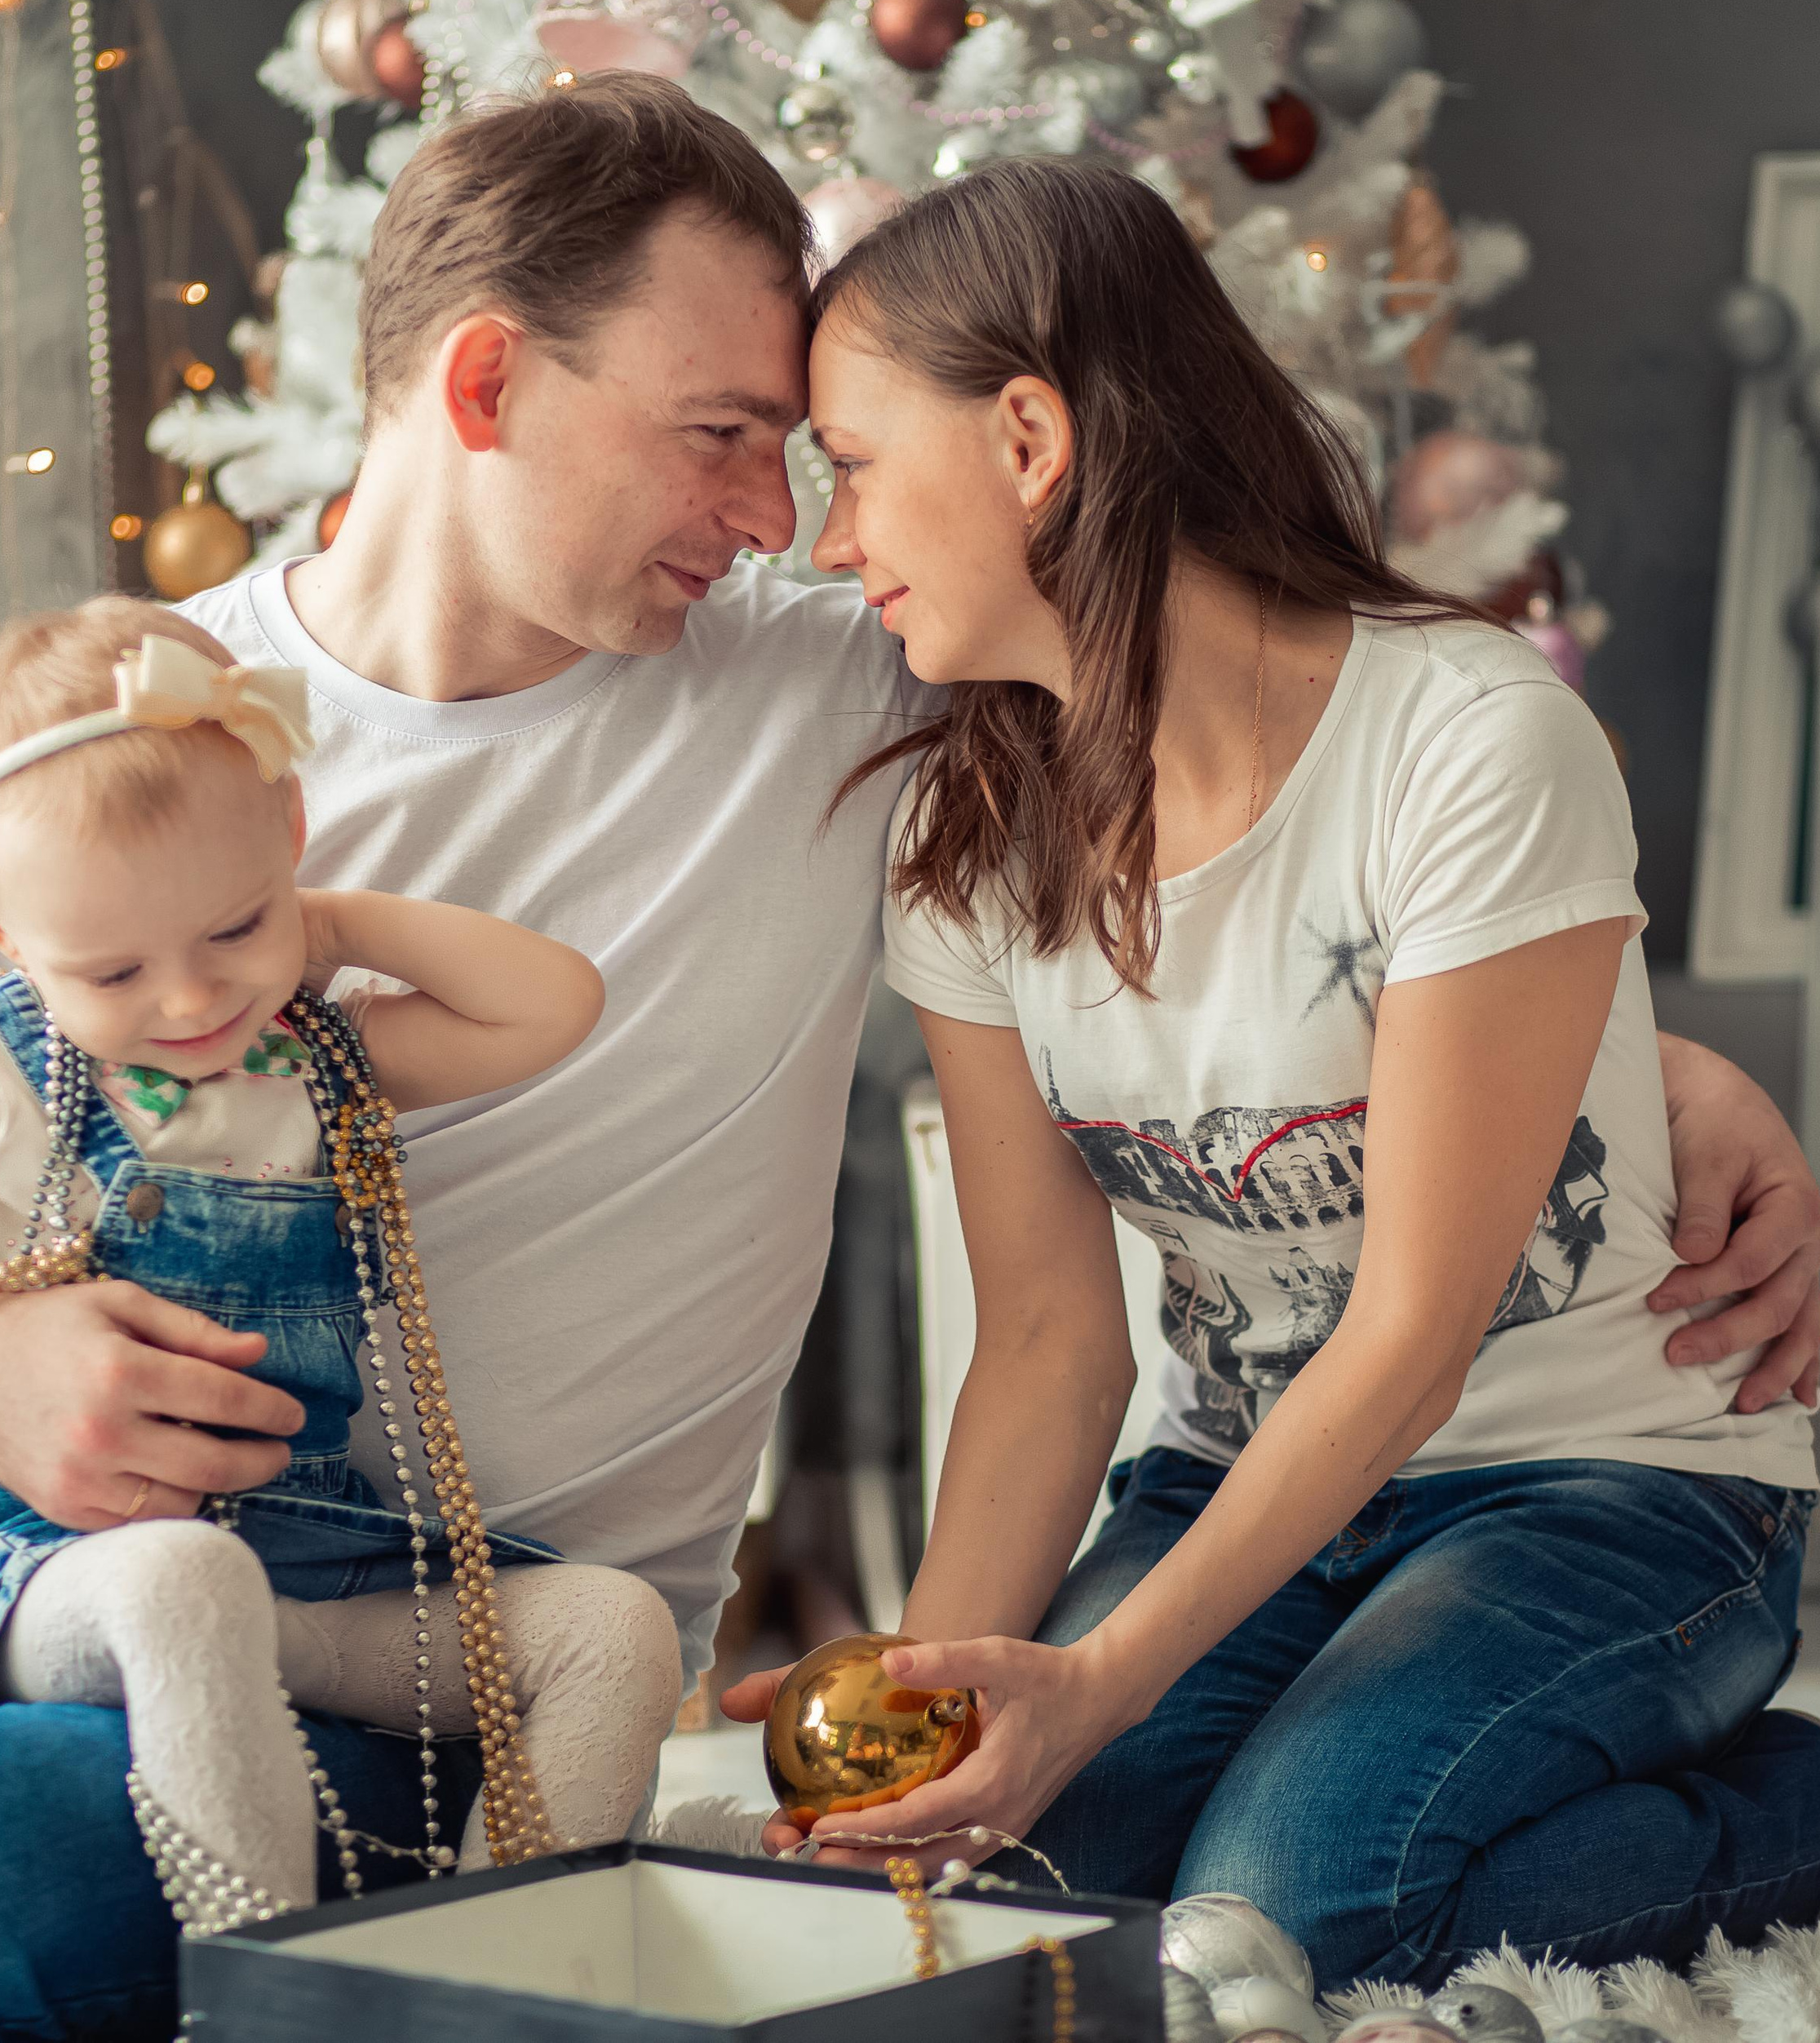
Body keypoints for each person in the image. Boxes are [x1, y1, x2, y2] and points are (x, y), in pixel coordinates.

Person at [0, 77, 1812, 2040]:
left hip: (430, 1614)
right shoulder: (116, 750)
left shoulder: (870, 697)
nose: (779, 515)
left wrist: (1662, 1087)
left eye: (809, 454)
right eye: (722, 433)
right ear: (483, 386)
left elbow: (1281, 791)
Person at [720, 157, 1820, 1991]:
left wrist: (1095, 1683)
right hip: (1228, 1478)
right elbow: (1052, 1343)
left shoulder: (1467, 738)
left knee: (1283, 1907)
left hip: (1600, 1485)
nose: (827, 540)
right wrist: (942, 1724)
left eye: (846, 459)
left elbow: (1407, 1335)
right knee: (1023, 1907)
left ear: (1023, 437)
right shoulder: (970, 833)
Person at [0, 598, 682, 1920]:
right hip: (46, 1573)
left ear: (287, 843)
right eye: (114, 969)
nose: (189, 1004)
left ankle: (505, 1969)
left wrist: (319, 925)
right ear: (7, 939)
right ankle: (263, 1983)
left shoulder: (316, 1059)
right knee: (189, 1581)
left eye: (230, 930)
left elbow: (551, 1004)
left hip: (308, 1564)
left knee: (614, 1631)